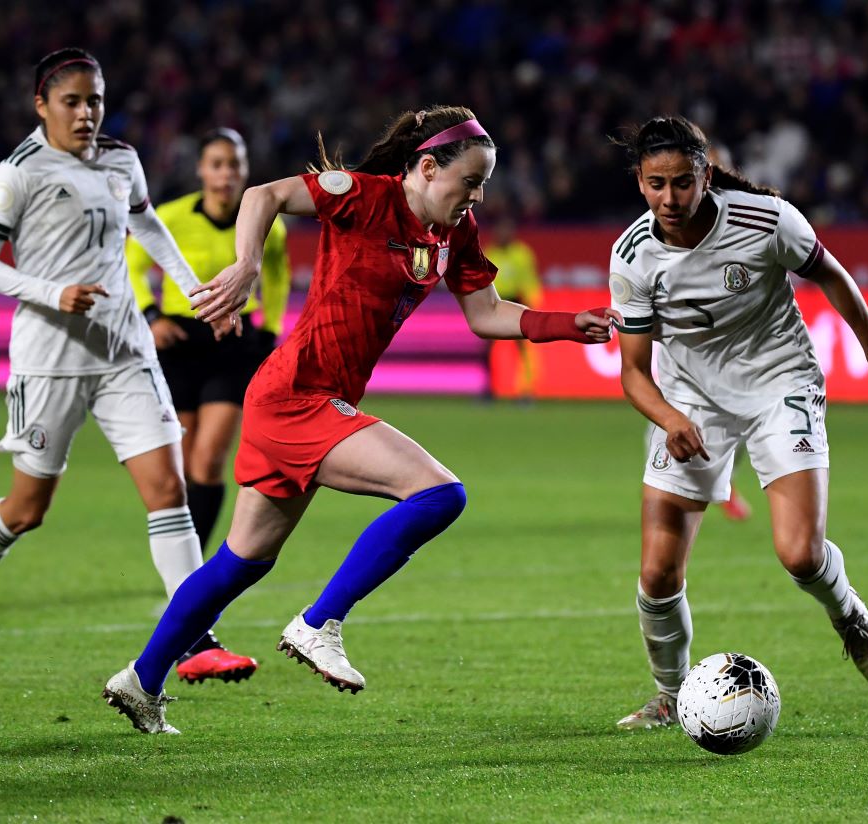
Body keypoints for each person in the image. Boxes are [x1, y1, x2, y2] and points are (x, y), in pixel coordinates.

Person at [101, 105, 621, 734]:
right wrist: (244, 265)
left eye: (483, 185)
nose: (475, 197)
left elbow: (485, 313)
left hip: (303, 398)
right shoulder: (366, 197)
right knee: (438, 494)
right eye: (469, 183)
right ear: (427, 168)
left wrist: (566, 325)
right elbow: (264, 194)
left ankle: (140, 679)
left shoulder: (453, 231)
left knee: (242, 562)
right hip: (300, 393)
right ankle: (320, 622)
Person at [0, 48, 239, 674]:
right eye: (72, 101)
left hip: (125, 351)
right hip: (49, 359)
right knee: (27, 510)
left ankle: (194, 640)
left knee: (169, 491)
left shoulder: (122, 159)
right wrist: (51, 292)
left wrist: (197, 291)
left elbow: (146, 227)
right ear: (42, 106)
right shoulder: (16, 173)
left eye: (95, 99)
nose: (87, 112)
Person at [608, 116, 868, 730]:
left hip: (781, 385)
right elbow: (634, 372)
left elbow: (832, 275)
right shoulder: (633, 257)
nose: (670, 198)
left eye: (683, 183)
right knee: (658, 573)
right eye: (656, 184)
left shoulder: (765, 219)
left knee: (799, 555)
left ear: (705, 174)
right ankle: (669, 695)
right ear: (639, 182)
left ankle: (848, 615)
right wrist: (668, 417)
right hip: (691, 403)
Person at [126, 127, 291, 683]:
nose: (226, 174)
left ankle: (189, 579)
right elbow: (131, 259)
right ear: (201, 169)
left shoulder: (264, 222)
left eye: (235, 165)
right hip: (180, 343)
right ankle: (189, 573)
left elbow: (276, 274)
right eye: (217, 164)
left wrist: (271, 323)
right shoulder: (170, 215)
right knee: (184, 456)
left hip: (230, 345)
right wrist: (152, 314)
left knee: (209, 458)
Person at [482, 216, 543, 400]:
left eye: (506, 230)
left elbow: (530, 281)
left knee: (523, 351)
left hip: (516, 303)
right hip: (492, 305)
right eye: (500, 230)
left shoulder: (522, 254)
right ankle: (489, 389)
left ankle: (526, 391)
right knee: (487, 352)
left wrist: (532, 307)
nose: (503, 234)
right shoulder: (488, 253)